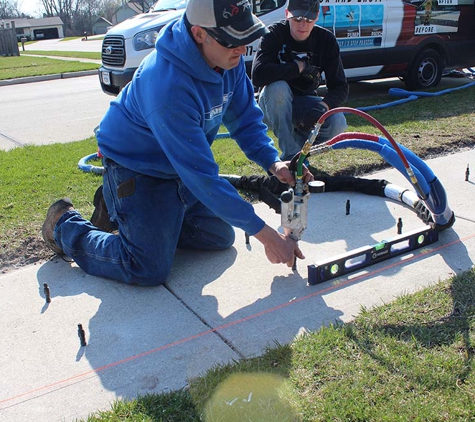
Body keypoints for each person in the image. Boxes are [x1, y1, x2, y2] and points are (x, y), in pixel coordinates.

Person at [41, 0, 313, 286]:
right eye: (233, 40)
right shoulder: (167, 86)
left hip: (177, 167)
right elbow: (203, 179)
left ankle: (128, 211)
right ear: (199, 33)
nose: (242, 49)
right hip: (136, 166)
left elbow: (245, 121)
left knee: (219, 236)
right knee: (147, 267)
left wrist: (275, 163)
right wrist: (268, 237)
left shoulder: (226, 59)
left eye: (245, 38)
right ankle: (65, 224)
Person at [251, 0, 349, 162]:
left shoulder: (326, 40)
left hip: (304, 103)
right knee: (278, 88)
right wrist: (297, 68)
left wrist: (322, 107)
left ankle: (300, 149)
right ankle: (290, 155)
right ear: (287, 14)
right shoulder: (274, 34)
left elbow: (340, 87)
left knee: (337, 121)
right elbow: (258, 75)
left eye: (309, 20)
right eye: (297, 19)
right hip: (270, 103)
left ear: (317, 17)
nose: (303, 25)